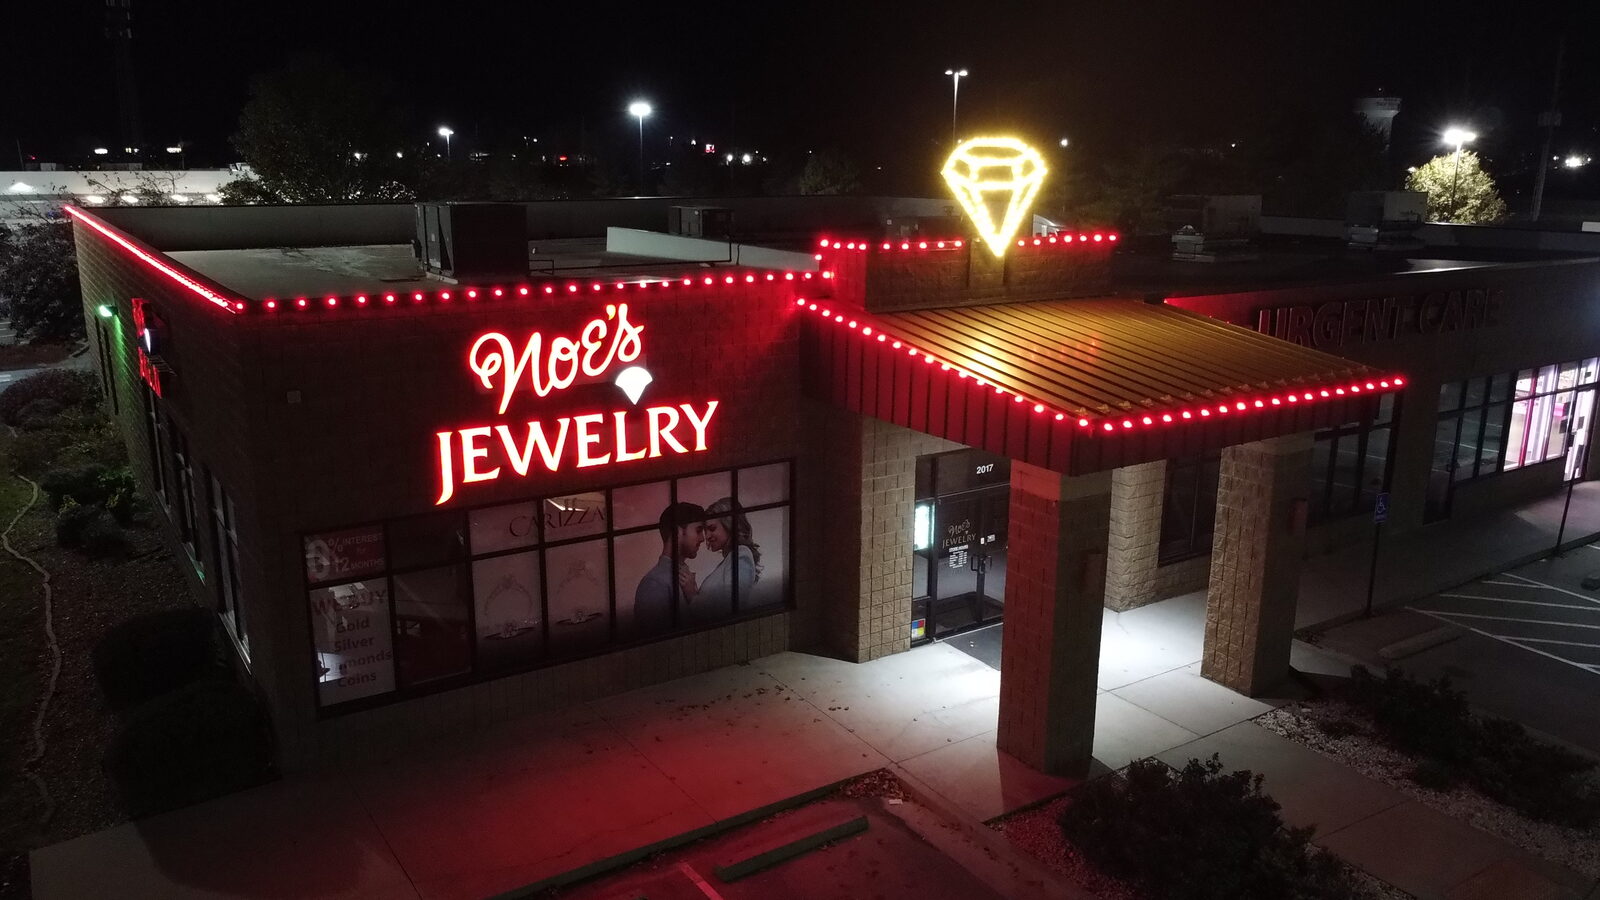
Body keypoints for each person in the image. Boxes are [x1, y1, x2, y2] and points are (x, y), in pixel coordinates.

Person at [633, 501, 704, 634]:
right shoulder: (654, 584)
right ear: (676, 531)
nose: (702, 538)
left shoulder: (678, 577)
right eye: (698, 530)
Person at [687, 497, 761, 620]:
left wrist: (692, 595)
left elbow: (730, 608)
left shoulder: (741, 556)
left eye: (712, 528)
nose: (707, 536)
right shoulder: (732, 558)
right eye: (706, 530)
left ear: (729, 524)